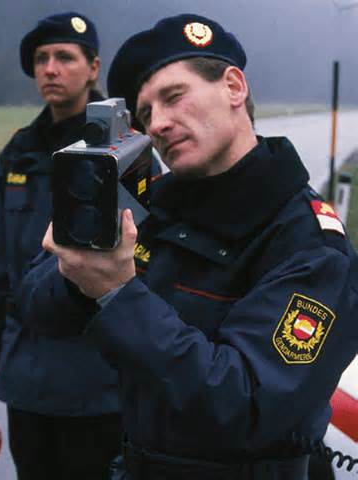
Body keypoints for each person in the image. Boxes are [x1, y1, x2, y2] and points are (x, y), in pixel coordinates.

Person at [18, 13, 358, 480]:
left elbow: (246, 407)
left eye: (174, 97)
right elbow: (35, 306)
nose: (158, 124)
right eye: (145, 114)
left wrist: (117, 292)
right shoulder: (152, 203)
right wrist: (75, 263)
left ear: (233, 87)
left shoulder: (308, 243)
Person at [0, 12, 123, 480]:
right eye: (41, 59)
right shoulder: (20, 150)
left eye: (64, 57)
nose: (50, 69)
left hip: (98, 378)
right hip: (27, 375)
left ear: (93, 68)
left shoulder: (122, 147)